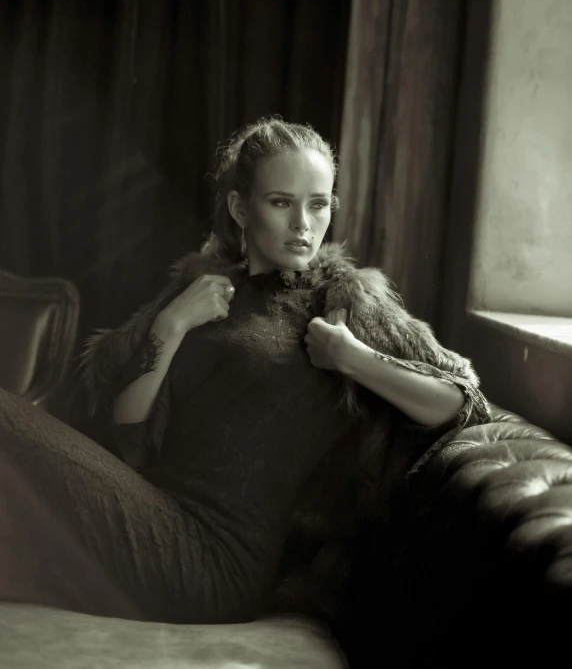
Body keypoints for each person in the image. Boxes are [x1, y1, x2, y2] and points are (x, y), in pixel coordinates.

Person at [0, 116, 490, 630]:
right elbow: (127, 424)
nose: (303, 223)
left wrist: (352, 358)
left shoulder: (343, 303)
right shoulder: (202, 291)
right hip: (149, 515)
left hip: (214, 562)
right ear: (241, 207)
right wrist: (171, 325)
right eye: (281, 202)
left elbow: (461, 403)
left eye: (318, 204)